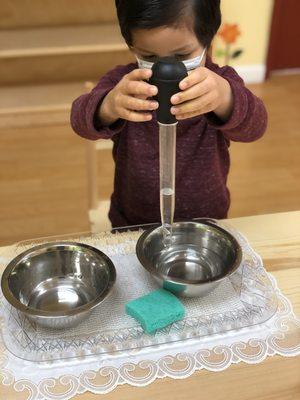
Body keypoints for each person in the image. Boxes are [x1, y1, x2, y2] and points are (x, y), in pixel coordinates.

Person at [71, 0, 267, 228]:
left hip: (204, 224)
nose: (166, 69)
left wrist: (226, 98)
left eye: (182, 55)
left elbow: (256, 126)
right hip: (132, 224)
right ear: (131, 44)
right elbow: (79, 121)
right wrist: (107, 106)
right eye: (150, 57)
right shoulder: (126, 85)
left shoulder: (218, 84)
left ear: (207, 38)